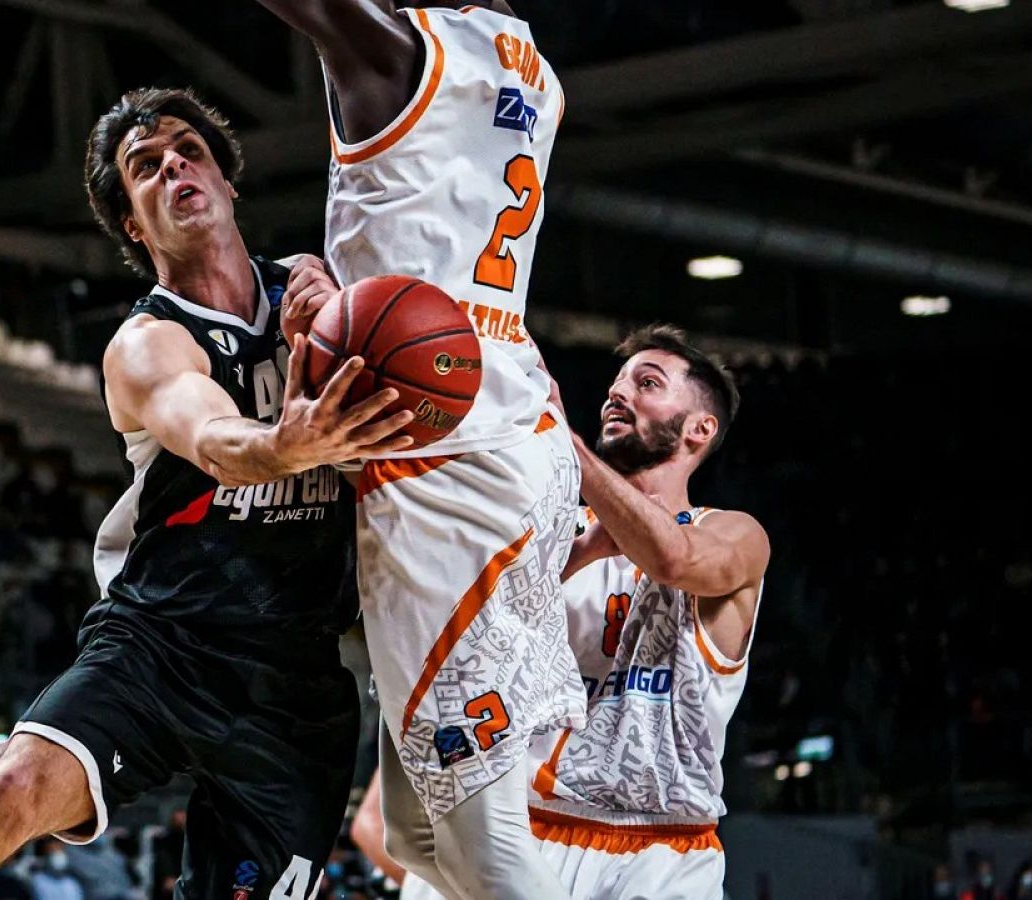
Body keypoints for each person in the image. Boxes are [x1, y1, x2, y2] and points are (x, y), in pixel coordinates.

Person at [0, 88, 409, 900]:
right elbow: (209, 438)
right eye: (145, 167)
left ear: (228, 183)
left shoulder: (327, 300)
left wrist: (330, 286)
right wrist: (284, 446)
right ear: (132, 222)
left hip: (296, 677)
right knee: (11, 792)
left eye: (188, 150)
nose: (173, 167)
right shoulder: (147, 343)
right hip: (164, 641)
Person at [255, 2, 581, 896]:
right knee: (413, 837)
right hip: (518, 428)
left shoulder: (402, 51)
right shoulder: (535, 73)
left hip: (442, 464)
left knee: (480, 844)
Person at [504, 325, 765, 898]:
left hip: (663, 850)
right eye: (617, 383)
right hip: (529, 829)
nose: (619, 394)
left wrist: (564, 442)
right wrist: (580, 552)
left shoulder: (734, 534)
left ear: (700, 428)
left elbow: (673, 558)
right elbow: (477, 628)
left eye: (647, 384)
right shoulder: (555, 531)